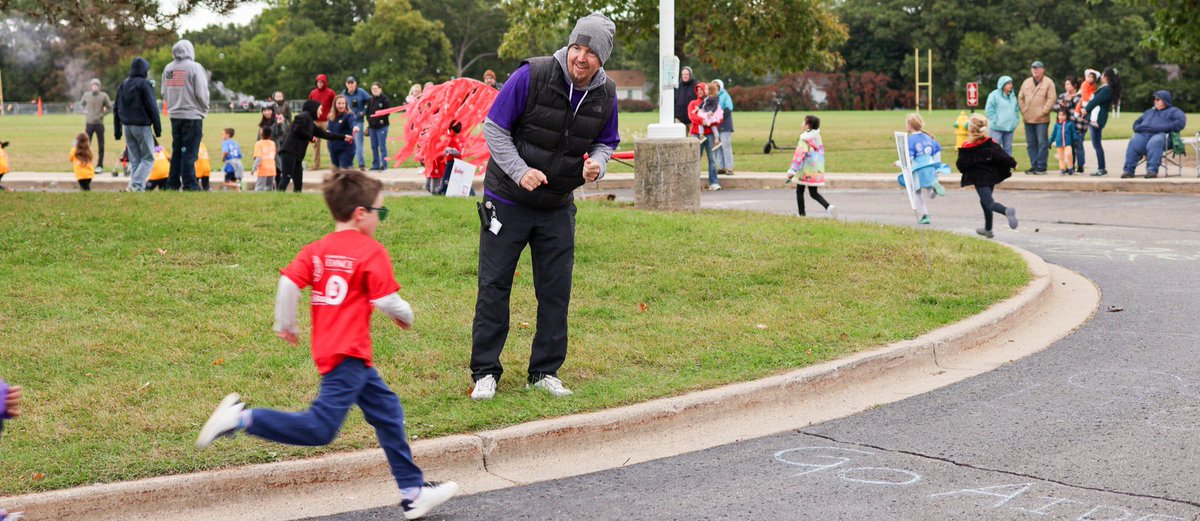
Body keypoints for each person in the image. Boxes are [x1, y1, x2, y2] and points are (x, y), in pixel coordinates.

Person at [195, 170, 460, 520]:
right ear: (360, 213)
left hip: (339, 354)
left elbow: (289, 283)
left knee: (387, 411)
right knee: (320, 428)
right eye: (381, 212)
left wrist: (286, 325)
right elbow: (389, 302)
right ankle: (242, 420)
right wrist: (407, 316)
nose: (381, 219)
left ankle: (413, 492)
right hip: (348, 355)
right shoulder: (370, 251)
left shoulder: (318, 249)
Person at [471, 12, 620, 400]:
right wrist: (520, 171)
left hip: (556, 205)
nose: (581, 58)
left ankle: (544, 371)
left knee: (555, 290)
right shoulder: (532, 75)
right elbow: (494, 127)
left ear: (602, 59)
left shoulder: (605, 94)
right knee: (494, 284)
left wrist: (597, 165)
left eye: (591, 52)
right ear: (569, 46)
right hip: (507, 199)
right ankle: (485, 372)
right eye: (577, 47)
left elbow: (607, 141)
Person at [956, 114, 1018, 239]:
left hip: (980, 179)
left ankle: (1006, 210)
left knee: (989, 203)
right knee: (985, 201)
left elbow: (961, 165)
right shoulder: (990, 143)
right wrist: (1013, 163)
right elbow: (1003, 156)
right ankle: (988, 229)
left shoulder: (967, 147)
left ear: (971, 129)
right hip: (991, 177)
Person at [161, 40, 209, 191]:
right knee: (190, 151)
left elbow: (164, 92)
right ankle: (190, 184)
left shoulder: (168, 68)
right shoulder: (194, 67)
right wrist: (204, 108)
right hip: (192, 116)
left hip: (175, 116)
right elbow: (201, 92)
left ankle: (173, 183)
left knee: (177, 151)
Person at [278, 100, 352, 192]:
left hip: (297, 155)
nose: (321, 112)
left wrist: (344, 137)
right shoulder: (303, 116)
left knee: (298, 183)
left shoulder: (311, 124)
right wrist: (311, 137)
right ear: (313, 109)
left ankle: (296, 200)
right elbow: (297, 128)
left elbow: (325, 134)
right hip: (289, 152)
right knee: (286, 178)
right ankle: (278, 197)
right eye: (320, 109)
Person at [113, 57, 163, 192]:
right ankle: (135, 185)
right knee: (148, 158)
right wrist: (157, 128)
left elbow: (116, 108)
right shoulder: (144, 84)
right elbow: (152, 107)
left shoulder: (123, 84)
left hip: (127, 127)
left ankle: (136, 188)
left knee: (135, 159)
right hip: (141, 125)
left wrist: (117, 130)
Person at [1121, 90, 1187, 179]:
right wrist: (1138, 128)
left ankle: (1152, 170)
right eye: (1155, 99)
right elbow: (1137, 122)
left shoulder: (1174, 111)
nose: (1155, 101)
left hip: (1162, 136)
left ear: (1165, 100)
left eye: (1158, 99)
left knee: (1155, 141)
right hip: (1144, 135)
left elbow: (1181, 122)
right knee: (1134, 141)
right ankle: (1128, 171)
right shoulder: (1149, 111)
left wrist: (1164, 128)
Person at [900, 113, 948, 224]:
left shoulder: (910, 140)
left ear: (910, 125)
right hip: (930, 167)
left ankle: (925, 215)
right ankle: (934, 188)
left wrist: (900, 164)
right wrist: (936, 168)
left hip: (918, 168)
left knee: (917, 192)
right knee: (930, 194)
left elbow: (910, 159)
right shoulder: (929, 138)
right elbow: (937, 153)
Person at [785, 115, 835, 218]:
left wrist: (792, 170)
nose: (801, 125)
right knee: (813, 193)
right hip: (816, 170)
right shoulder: (817, 137)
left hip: (804, 169)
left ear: (808, 126)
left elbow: (799, 155)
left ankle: (802, 215)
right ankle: (829, 207)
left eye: (803, 123)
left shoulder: (804, 138)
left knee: (799, 190)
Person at [1018, 61, 1056, 175]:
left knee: (1042, 143)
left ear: (1042, 70)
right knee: (1030, 143)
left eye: (1037, 68)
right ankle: (1034, 165)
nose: (1035, 70)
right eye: (1033, 68)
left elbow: (1052, 98)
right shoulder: (1026, 82)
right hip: (1028, 118)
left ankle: (1041, 166)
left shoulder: (1048, 82)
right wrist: (1024, 111)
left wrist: (1043, 111)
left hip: (1042, 119)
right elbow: (1020, 98)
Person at [1083, 68, 1121, 177]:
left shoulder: (1106, 89)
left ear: (1107, 77)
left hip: (1096, 118)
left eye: (1103, 75)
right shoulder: (1107, 89)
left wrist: (1086, 109)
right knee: (1097, 144)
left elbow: (1096, 101)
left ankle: (1101, 168)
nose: (1101, 77)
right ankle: (1101, 167)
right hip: (1097, 118)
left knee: (1097, 144)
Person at [688, 83, 720, 191]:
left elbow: (718, 114)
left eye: (702, 89)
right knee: (695, 158)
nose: (700, 91)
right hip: (696, 134)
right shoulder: (693, 103)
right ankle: (693, 182)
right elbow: (692, 117)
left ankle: (714, 182)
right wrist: (702, 121)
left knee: (712, 159)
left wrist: (713, 121)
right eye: (698, 90)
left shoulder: (711, 101)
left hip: (709, 134)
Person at [79, 79, 112, 172]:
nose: (94, 87)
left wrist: (102, 115)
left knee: (101, 145)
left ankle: (100, 165)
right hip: (89, 123)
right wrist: (85, 111)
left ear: (99, 86)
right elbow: (81, 104)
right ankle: (86, 163)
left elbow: (109, 108)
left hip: (99, 124)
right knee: (86, 145)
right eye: (93, 85)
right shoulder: (86, 95)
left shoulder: (103, 96)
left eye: (96, 85)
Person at [1057, 76, 1088, 174]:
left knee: (1078, 146)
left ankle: (1080, 166)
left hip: (1079, 126)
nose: (1066, 86)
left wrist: (1067, 102)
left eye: (1068, 84)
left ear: (1074, 85)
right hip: (1067, 127)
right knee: (1069, 148)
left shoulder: (1081, 96)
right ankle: (1071, 166)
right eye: (1065, 84)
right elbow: (1055, 106)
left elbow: (1078, 105)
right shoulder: (1063, 96)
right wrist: (1061, 104)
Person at [984, 76, 1019, 156]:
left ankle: (1007, 167)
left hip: (1009, 128)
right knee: (994, 149)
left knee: (1008, 149)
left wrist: (1016, 120)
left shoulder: (1012, 96)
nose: (1011, 85)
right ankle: (994, 168)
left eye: (1011, 83)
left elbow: (1016, 109)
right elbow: (989, 110)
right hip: (996, 128)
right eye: (1008, 83)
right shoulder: (993, 95)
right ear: (1002, 84)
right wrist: (995, 121)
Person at [308, 74, 337, 170]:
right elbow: (310, 105)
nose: (320, 84)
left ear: (325, 82)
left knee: (331, 143)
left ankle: (333, 164)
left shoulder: (331, 93)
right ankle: (316, 165)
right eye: (318, 82)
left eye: (322, 82)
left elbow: (335, 105)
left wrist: (332, 114)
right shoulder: (313, 93)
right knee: (315, 144)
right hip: (316, 121)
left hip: (327, 121)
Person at [343, 77, 372, 169]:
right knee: (347, 143)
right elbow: (338, 104)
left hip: (358, 121)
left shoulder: (361, 92)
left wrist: (363, 112)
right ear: (346, 84)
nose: (350, 84)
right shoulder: (343, 94)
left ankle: (361, 164)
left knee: (358, 143)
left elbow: (371, 101)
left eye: (352, 82)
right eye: (349, 82)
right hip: (346, 121)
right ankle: (348, 164)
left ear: (355, 83)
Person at [326, 96, 360, 172]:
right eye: (339, 103)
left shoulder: (349, 115)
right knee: (336, 171)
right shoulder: (331, 116)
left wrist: (355, 127)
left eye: (343, 103)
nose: (341, 105)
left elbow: (352, 122)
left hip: (346, 149)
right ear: (335, 105)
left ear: (346, 104)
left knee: (344, 171)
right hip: (333, 148)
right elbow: (329, 130)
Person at [367, 82, 391, 171]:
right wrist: (370, 122)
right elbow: (368, 112)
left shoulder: (385, 100)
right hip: (372, 127)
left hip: (382, 126)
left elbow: (386, 113)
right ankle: (375, 165)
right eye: (373, 89)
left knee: (382, 146)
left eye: (376, 88)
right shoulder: (370, 100)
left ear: (380, 89)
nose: (375, 90)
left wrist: (376, 121)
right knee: (374, 146)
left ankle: (384, 166)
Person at [714, 79, 735, 175]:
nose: (716, 88)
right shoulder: (712, 97)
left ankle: (729, 167)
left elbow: (729, 108)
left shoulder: (725, 95)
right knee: (718, 146)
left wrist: (719, 116)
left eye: (717, 86)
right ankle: (722, 167)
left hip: (725, 124)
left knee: (726, 145)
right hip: (715, 125)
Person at [1049, 110, 1077, 176]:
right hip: (1059, 144)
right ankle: (1062, 169)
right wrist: (1050, 142)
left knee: (1069, 154)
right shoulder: (1056, 125)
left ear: (1066, 116)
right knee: (1061, 157)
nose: (1061, 117)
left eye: (1063, 115)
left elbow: (1074, 132)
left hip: (1068, 143)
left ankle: (1070, 168)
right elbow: (1053, 134)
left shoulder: (1070, 124)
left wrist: (1076, 140)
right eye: (1059, 115)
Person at [253, 126, 277, 191]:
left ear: (262, 133)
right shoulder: (272, 143)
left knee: (259, 187)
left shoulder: (258, 144)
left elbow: (258, 158)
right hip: (272, 168)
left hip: (263, 169)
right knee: (269, 188)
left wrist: (254, 168)